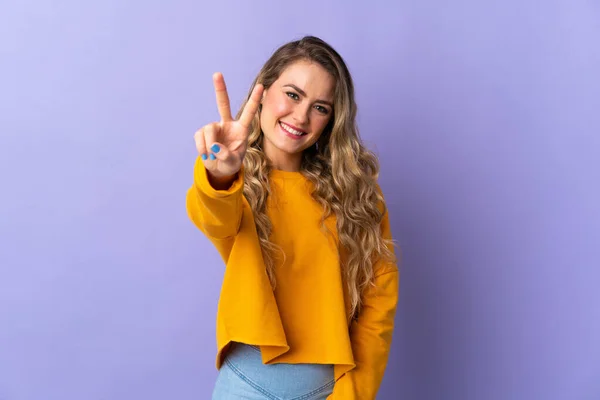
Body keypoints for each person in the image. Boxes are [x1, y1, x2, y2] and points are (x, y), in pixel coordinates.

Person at [186, 35, 399, 400]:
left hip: (326, 387)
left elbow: (379, 302)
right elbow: (215, 218)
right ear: (263, 91)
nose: (300, 117)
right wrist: (221, 174)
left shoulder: (357, 194)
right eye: (293, 94)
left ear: (332, 120)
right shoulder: (230, 180)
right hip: (246, 384)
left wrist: (353, 394)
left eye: (321, 107)